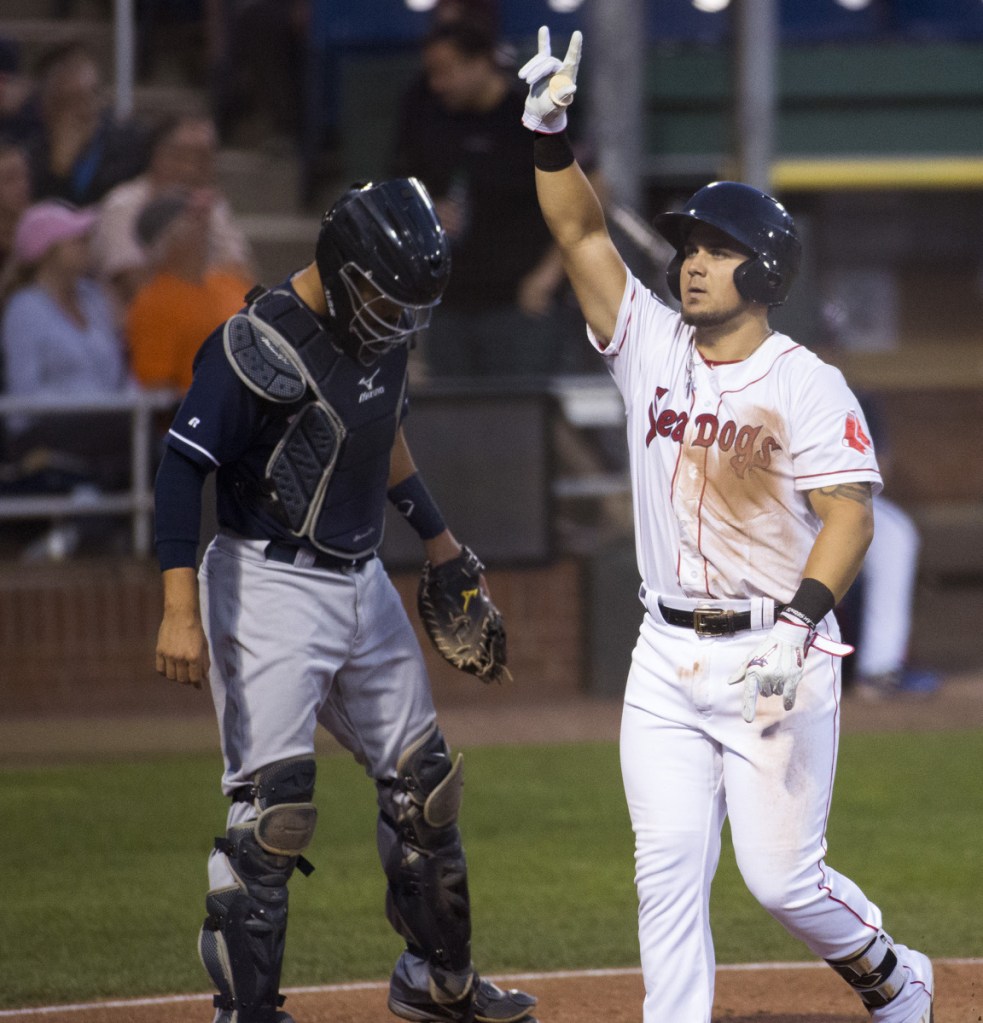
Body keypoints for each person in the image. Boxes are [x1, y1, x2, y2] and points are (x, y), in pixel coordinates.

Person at [517, 26, 934, 1023]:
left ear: (764, 269)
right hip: (662, 650)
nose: (691, 263)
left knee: (780, 882)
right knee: (663, 871)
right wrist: (545, 131)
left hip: (771, 652)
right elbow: (579, 235)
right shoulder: (647, 344)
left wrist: (797, 629)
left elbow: (848, 518)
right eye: (689, 246)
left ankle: (888, 971)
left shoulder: (802, 381)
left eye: (714, 249)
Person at [152, 177, 538, 1023]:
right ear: (342, 264)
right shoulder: (251, 344)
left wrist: (439, 542)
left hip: (362, 579)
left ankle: (440, 984)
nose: (400, 318)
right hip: (266, 583)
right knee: (274, 814)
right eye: (388, 296)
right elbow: (182, 469)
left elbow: (382, 437)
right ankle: (245, 1013)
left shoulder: (377, 326)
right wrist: (179, 607)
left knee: (425, 789)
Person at [391, 19, 577, 380]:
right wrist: (423, 210)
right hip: (448, 303)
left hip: (519, 307)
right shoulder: (426, 111)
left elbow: (591, 193)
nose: (437, 84)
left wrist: (546, 277)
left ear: (480, 62)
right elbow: (398, 185)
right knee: (457, 424)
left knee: (520, 424)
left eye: (446, 72)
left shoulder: (531, 116)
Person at [92, 111, 254, 307]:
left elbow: (244, 278)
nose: (191, 168)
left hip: (210, 323)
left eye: (203, 158)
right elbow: (136, 287)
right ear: (156, 155)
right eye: (181, 156)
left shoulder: (214, 207)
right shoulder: (124, 204)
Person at [125, 187, 253, 391]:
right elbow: (157, 390)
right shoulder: (154, 303)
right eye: (193, 219)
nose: (205, 224)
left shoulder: (228, 282)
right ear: (169, 237)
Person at [24, 40, 151, 209]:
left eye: (92, 94)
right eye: (71, 100)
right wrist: (59, 169)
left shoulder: (133, 143)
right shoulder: (30, 156)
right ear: (46, 107)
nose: (86, 109)